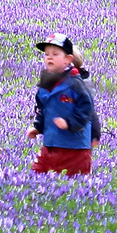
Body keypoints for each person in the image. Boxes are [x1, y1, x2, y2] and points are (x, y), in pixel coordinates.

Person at [26, 34, 96, 176]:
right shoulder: (45, 84)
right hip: (51, 144)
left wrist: (69, 123)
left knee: (75, 180)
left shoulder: (75, 83)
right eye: (46, 54)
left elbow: (87, 108)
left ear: (68, 60)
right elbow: (43, 109)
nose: (49, 57)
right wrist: (37, 127)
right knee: (36, 175)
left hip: (75, 147)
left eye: (55, 54)